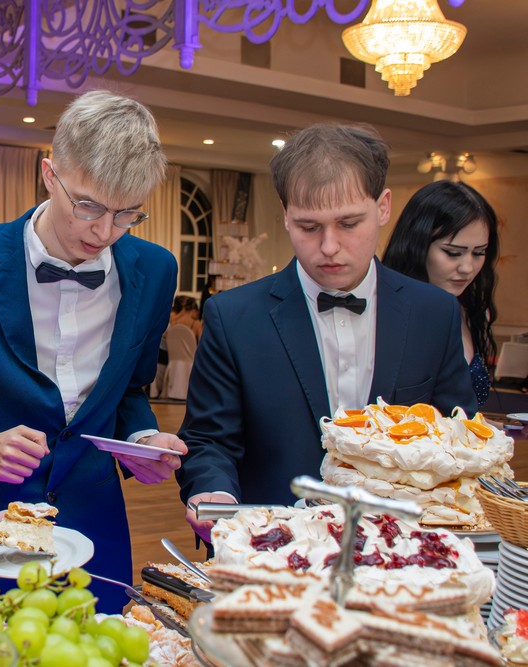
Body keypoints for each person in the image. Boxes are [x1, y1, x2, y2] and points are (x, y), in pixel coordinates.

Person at [0, 90, 186, 612]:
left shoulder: (156, 269)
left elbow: (131, 388)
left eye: (126, 215)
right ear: (50, 174)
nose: (104, 232)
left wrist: (141, 438)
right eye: (88, 206)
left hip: (97, 525)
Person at [176, 123, 478, 541]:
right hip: (270, 545)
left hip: (405, 547)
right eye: (308, 227)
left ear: (383, 207)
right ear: (286, 216)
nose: (329, 246)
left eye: (349, 223)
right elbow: (209, 440)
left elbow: (456, 437)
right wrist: (214, 490)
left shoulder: (434, 312)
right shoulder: (233, 316)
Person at [382, 181, 499, 408]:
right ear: (417, 245)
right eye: (453, 253)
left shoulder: (473, 312)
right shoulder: (386, 312)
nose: (467, 267)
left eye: (479, 253)